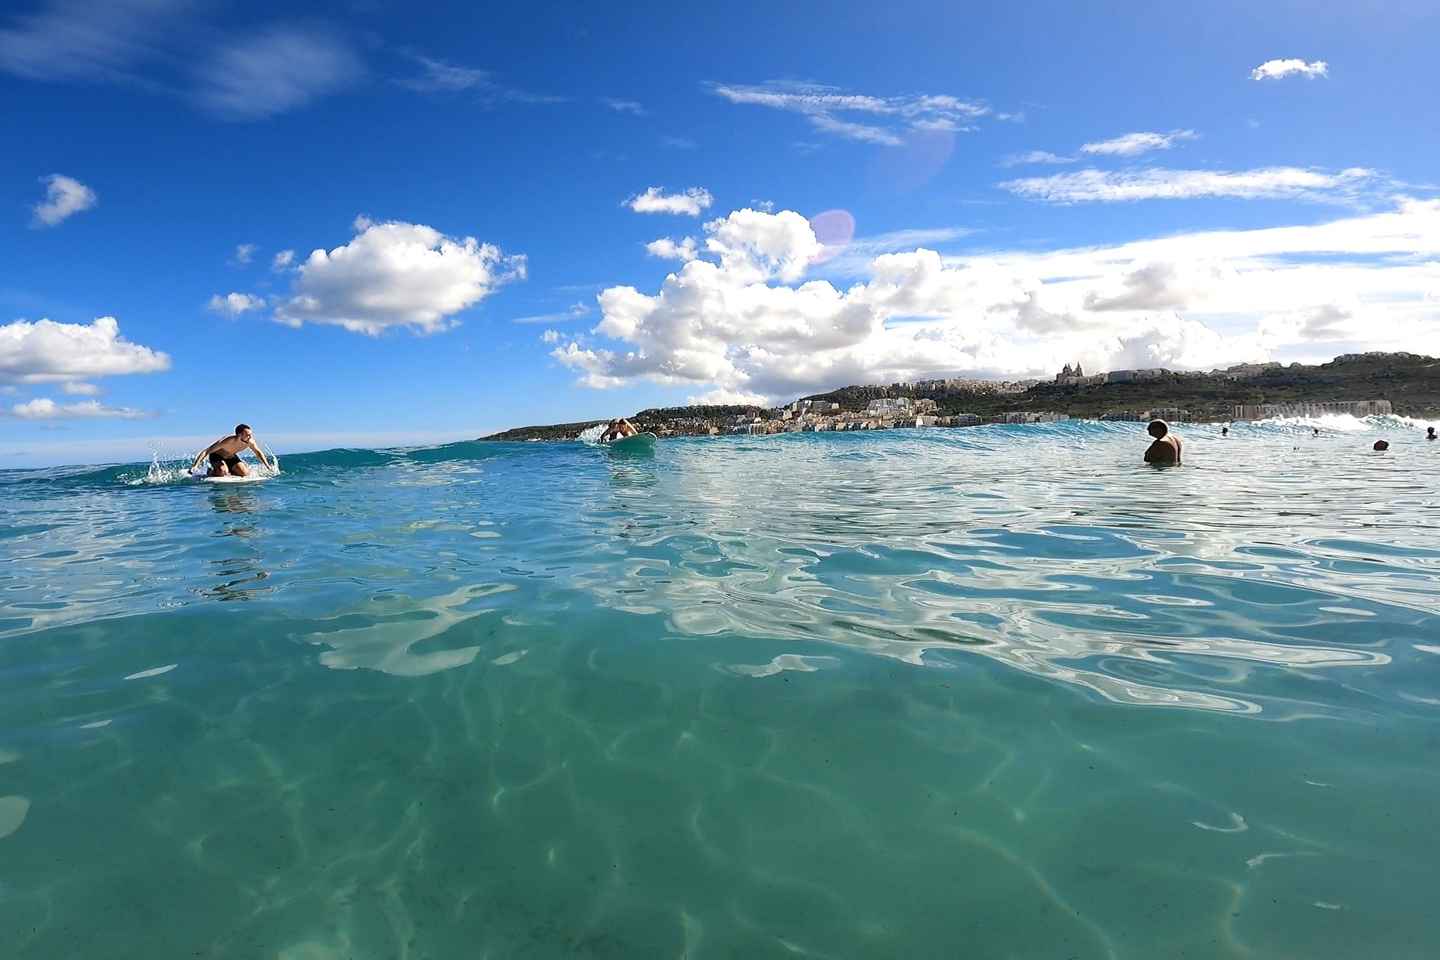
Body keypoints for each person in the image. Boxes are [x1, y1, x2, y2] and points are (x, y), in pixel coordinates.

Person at [191, 423, 273, 477]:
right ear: (239, 435)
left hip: (230, 457)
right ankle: (210, 471)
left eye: (251, 434)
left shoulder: (250, 442)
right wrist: (195, 466)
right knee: (222, 472)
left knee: (245, 473)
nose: (250, 437)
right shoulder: (226, 441)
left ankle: (230, 469)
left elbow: (258, 453)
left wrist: (267, 466)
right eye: (248, 435)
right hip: (217, 456)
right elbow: (206, 451)